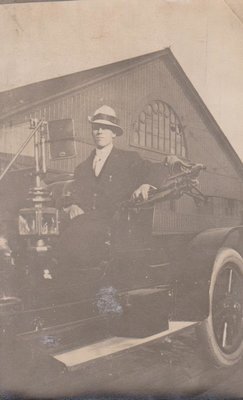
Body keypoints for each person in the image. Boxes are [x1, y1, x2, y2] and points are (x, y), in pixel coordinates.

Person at [55, 105, 169, 266]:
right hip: (83, 226)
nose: (100, 131)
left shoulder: (129, 159)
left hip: (117, 227)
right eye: (96, 127)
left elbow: (157, 170)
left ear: (114, 133)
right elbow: (72, 194)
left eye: (105, 128)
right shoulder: (81, 168)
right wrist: (72, 204)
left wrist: (146, 184)